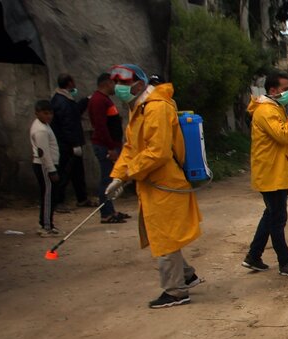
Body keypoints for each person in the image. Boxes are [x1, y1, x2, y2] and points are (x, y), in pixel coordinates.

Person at [105, 64, 203, 309]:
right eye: (117, 83)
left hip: (165, 183)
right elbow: (131, 148)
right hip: (152, 182)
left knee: (164, 238)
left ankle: (176, 291)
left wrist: (128, 173)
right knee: (163, 235)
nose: (120, 88)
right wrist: (118, 176)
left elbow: (157, 152)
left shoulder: (157, 107)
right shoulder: (139, 108)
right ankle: (187, 275)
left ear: (139, 83)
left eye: (125, 83)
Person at [241, 71, 288, 277]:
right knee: (278, 218)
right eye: (285, 89)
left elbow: (279, 137)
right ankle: (284, 262)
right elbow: (283, 133)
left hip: (275, 171)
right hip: (271, 174)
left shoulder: (273, 108)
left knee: (270, 215)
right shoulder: (266, 110)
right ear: (273, 90)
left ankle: (254, 256)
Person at [87, 72, 129, 224]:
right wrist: (110, 148)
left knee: (110, 179)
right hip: (106, 147)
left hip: (109, 145)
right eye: (113, 83)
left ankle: (111, 210)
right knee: (106, 180)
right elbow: (101, 126)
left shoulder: (104, 100)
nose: (115, 87)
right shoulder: (99, 101)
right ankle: (106, 213)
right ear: (106, 83)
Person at [50, 73, 94, 211]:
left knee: (77, 172)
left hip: (70, 142)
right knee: (65, 172)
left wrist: (85, 101)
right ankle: (58, 201)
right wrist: (74, 144)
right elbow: (68, 124)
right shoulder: (61, 101)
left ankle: (82, 198)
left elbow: (74, 113)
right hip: (66, 144)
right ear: (69, 83)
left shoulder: (64, 99)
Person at [30, 100, 61, 237]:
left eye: (50, 113)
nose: (49, 116)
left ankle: (48, 223)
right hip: (44, 165)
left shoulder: (45, 126)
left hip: (47, 164)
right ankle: (45, 226)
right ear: (37, 113)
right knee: (47, 195)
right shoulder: (41, 130)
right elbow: (43, 152)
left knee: (50, 194)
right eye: (45, 113)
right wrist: (51, 169)